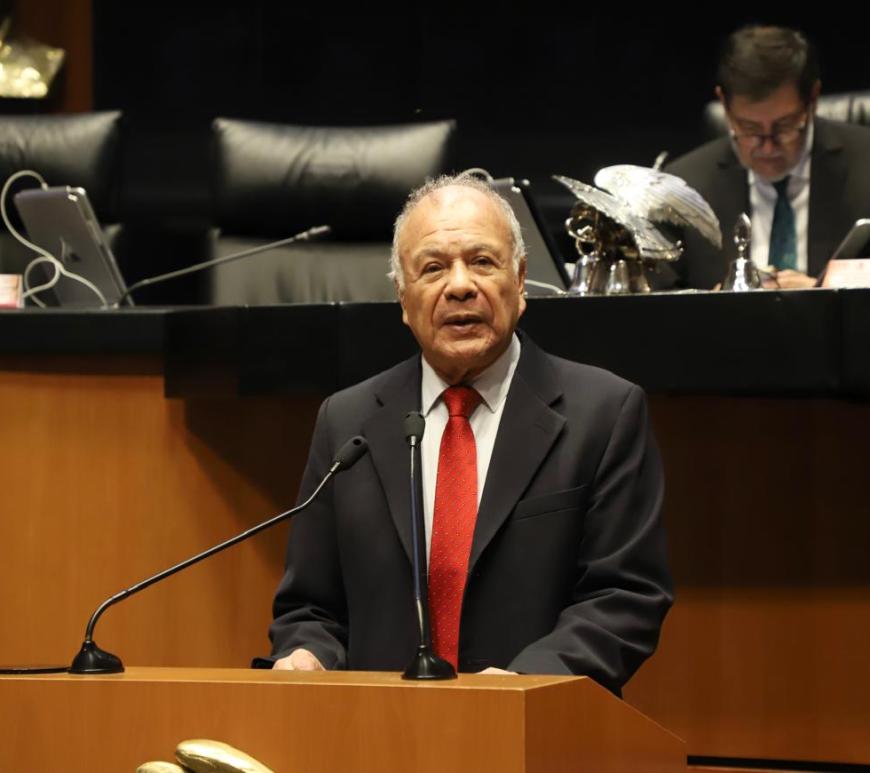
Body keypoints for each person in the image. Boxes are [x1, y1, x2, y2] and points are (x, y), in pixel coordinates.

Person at [258, 174, 672, 695]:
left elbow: (624, 597)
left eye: (482, 262)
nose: (459, 285)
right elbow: (310, 606)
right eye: (433, 268)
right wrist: (308, 654)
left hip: (534, 728)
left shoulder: (605, 413)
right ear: (402, 297)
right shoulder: (347, 420)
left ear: (520, 281)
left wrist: (522, 686)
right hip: (379, 728)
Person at [666, 25, 870, 289]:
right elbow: (656, 299)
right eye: (749, 128)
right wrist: (711, 304)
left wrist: (824, 293)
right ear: (724, 104)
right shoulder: (682, 188)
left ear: (813, 100)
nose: (768, 147)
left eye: (784, 126)